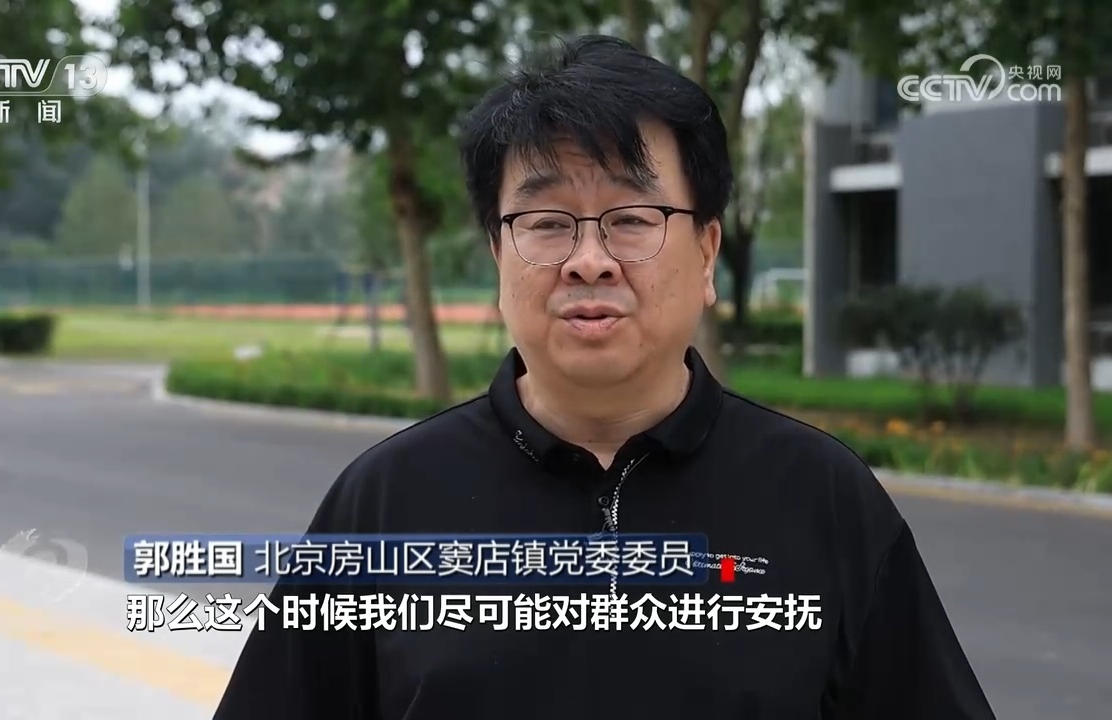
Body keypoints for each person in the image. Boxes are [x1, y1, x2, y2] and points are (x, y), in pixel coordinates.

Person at [213, 34, 996, 720]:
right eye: (547, 223)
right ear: (498, 253)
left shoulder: (822, 497)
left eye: (631, 219)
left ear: (707, 254)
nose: (590, 260)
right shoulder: (385, 505)